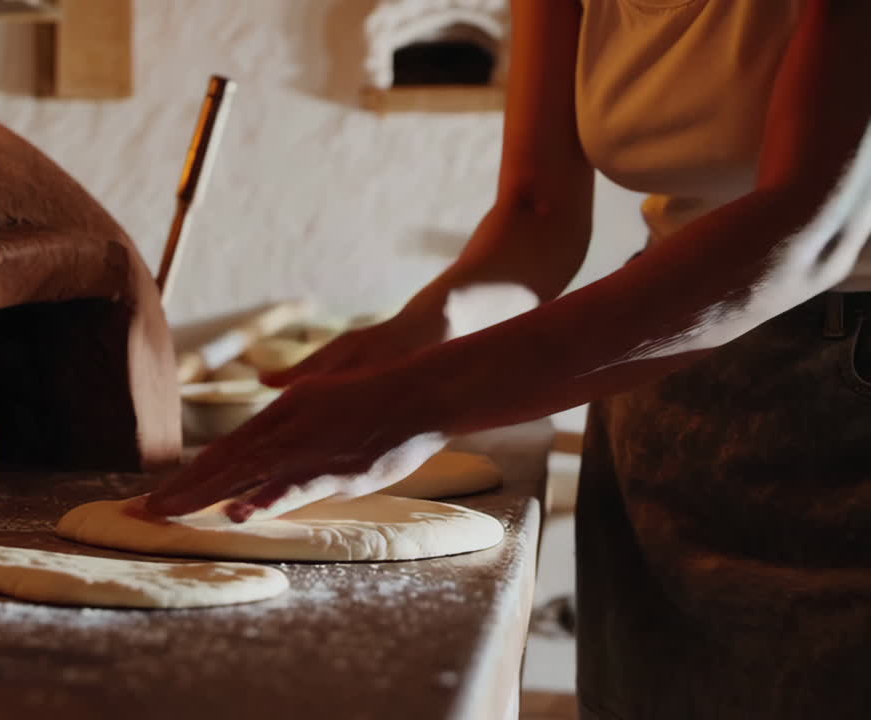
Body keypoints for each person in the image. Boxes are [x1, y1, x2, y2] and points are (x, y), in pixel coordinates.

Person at [146, 1, 871, 718]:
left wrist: (416, 401)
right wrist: (406, 343)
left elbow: (810, 231)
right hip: (659, 389)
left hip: (838, 400)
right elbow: (536, 215)